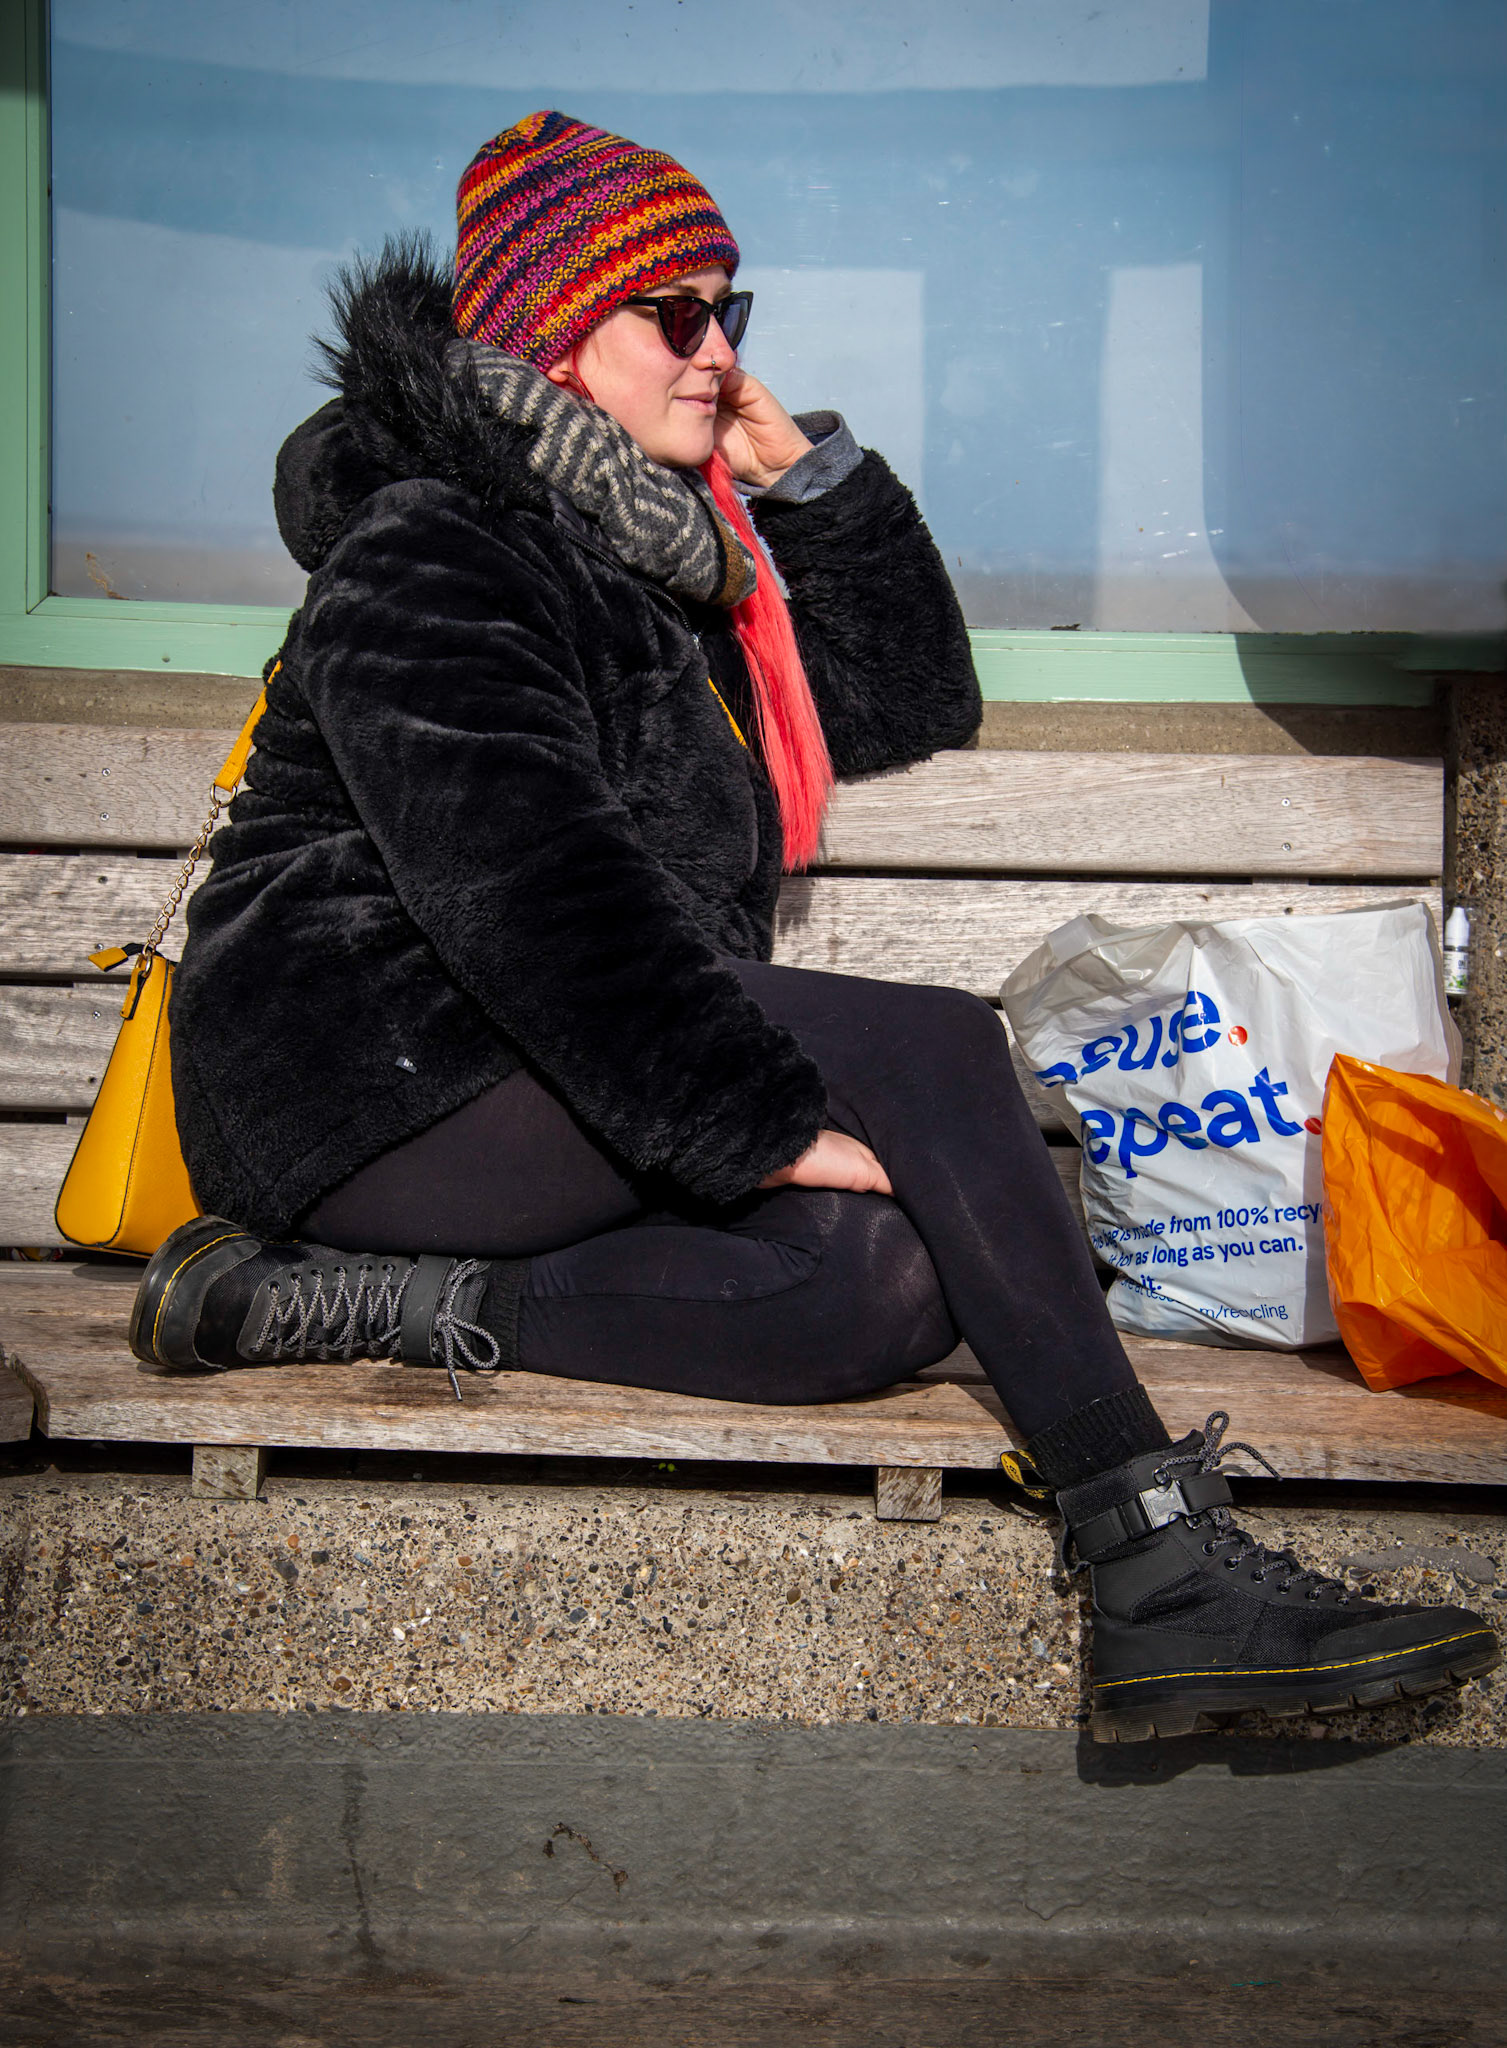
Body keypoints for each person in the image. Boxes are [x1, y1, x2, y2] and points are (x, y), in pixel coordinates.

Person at [132, 111, 1497, 1741]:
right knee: (937, 1045)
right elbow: (528, 896)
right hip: (374, 1074)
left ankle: (349, 1304)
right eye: (676, 315)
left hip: (554, 1071)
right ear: (554, 328)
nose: (718, 353)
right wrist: (758, 1122)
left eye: (732, 313)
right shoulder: (435, 543)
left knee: (880, 1281)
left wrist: (812, 489)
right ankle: (1158, 1570)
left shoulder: (662, 557)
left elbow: (909, 699)